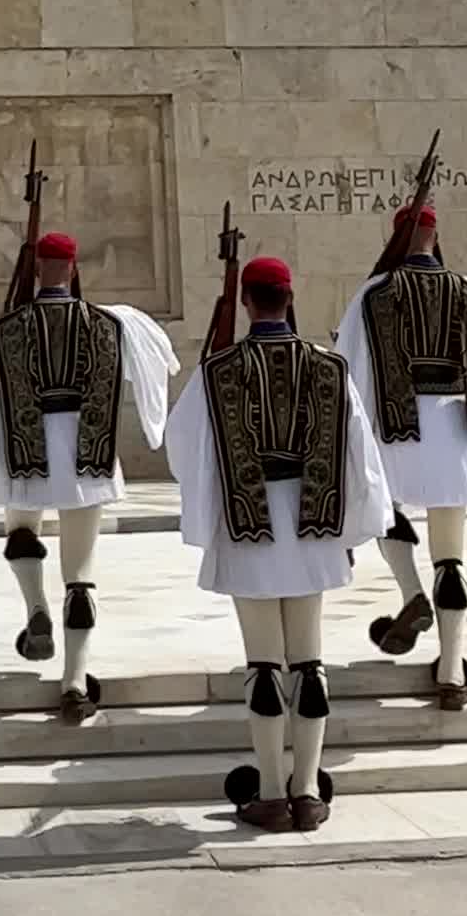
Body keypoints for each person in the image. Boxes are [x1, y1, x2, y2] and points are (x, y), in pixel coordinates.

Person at [167, 247, 391, 834]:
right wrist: (356, 526)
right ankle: (310, 791)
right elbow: (361, 454)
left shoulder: (218, 371)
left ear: (245, 304)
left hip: (249, 529)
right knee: (309, 662)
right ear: (291, 299)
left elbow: (182, 445)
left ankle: (269, 792)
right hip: (313, 527)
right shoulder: (328, 366)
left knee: (264, 664)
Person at [0, 228, 177, 722]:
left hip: (25, 453)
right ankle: (75, 683)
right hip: (88, 457)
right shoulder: (112, 324)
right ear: (75, 269)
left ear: (36, 271)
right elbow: (160, 360)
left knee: (20, 532)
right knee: (80, 576)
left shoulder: (6, 330)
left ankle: (36, 609)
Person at [334, 204, 467, 710]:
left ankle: (411, 594)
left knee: (386, 513)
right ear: (437, 234)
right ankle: (452, 672)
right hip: (455, 432)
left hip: (394, 430)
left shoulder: (373, 294)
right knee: (450, 557)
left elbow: (350, 367)